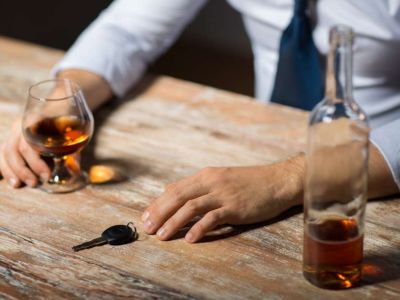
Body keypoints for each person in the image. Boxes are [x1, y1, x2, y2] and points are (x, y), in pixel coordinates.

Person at [1, 0, 399, 243]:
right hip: (259, 138)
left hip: (376, 168)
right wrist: (63, 101)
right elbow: (129, 28)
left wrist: (289, 179)